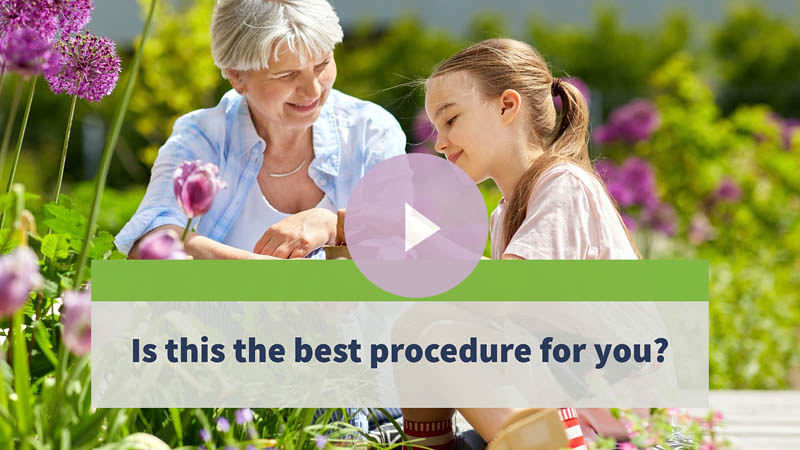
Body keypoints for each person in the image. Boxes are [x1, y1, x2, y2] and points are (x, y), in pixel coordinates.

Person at [409, 38, 647, 449]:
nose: (440, 142)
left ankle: (544, 444)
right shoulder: (505, 213)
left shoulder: (564, 185)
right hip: (572, 400)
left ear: (506, 106)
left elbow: (502, 295)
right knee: (415, 328)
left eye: (450, 120)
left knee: (438, 338)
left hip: (615, 419)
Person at [115, 0, 405, 259]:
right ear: (237, 76)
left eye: (322, 65)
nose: (313, 90)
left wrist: (333, 223)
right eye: (287, 75)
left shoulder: (369, 130)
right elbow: (151, 241)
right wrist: (272, 282)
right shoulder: (203, 136)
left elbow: (411, 240)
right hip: (220, 320)